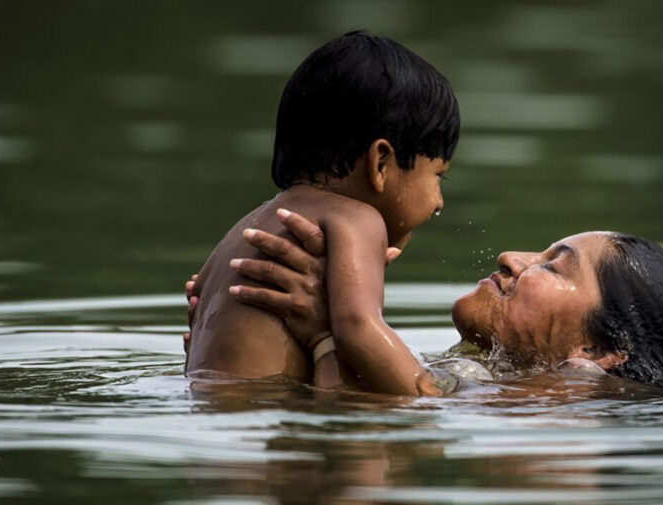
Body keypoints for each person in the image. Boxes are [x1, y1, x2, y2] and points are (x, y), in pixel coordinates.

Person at [187, 212, 663, 395]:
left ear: (597, 349)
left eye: (553, 264)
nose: (510, 257)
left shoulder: (554, 411)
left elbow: (356, 429)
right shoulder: (496, 384)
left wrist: (326, 332)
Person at [185, 30, 460, 396]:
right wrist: (426, 391)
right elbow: (357, 328)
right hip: (271, 424)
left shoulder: (243, 230)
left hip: (208, 420)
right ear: (380, 163)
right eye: (438, 176)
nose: (439, 201)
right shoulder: (358, 220)